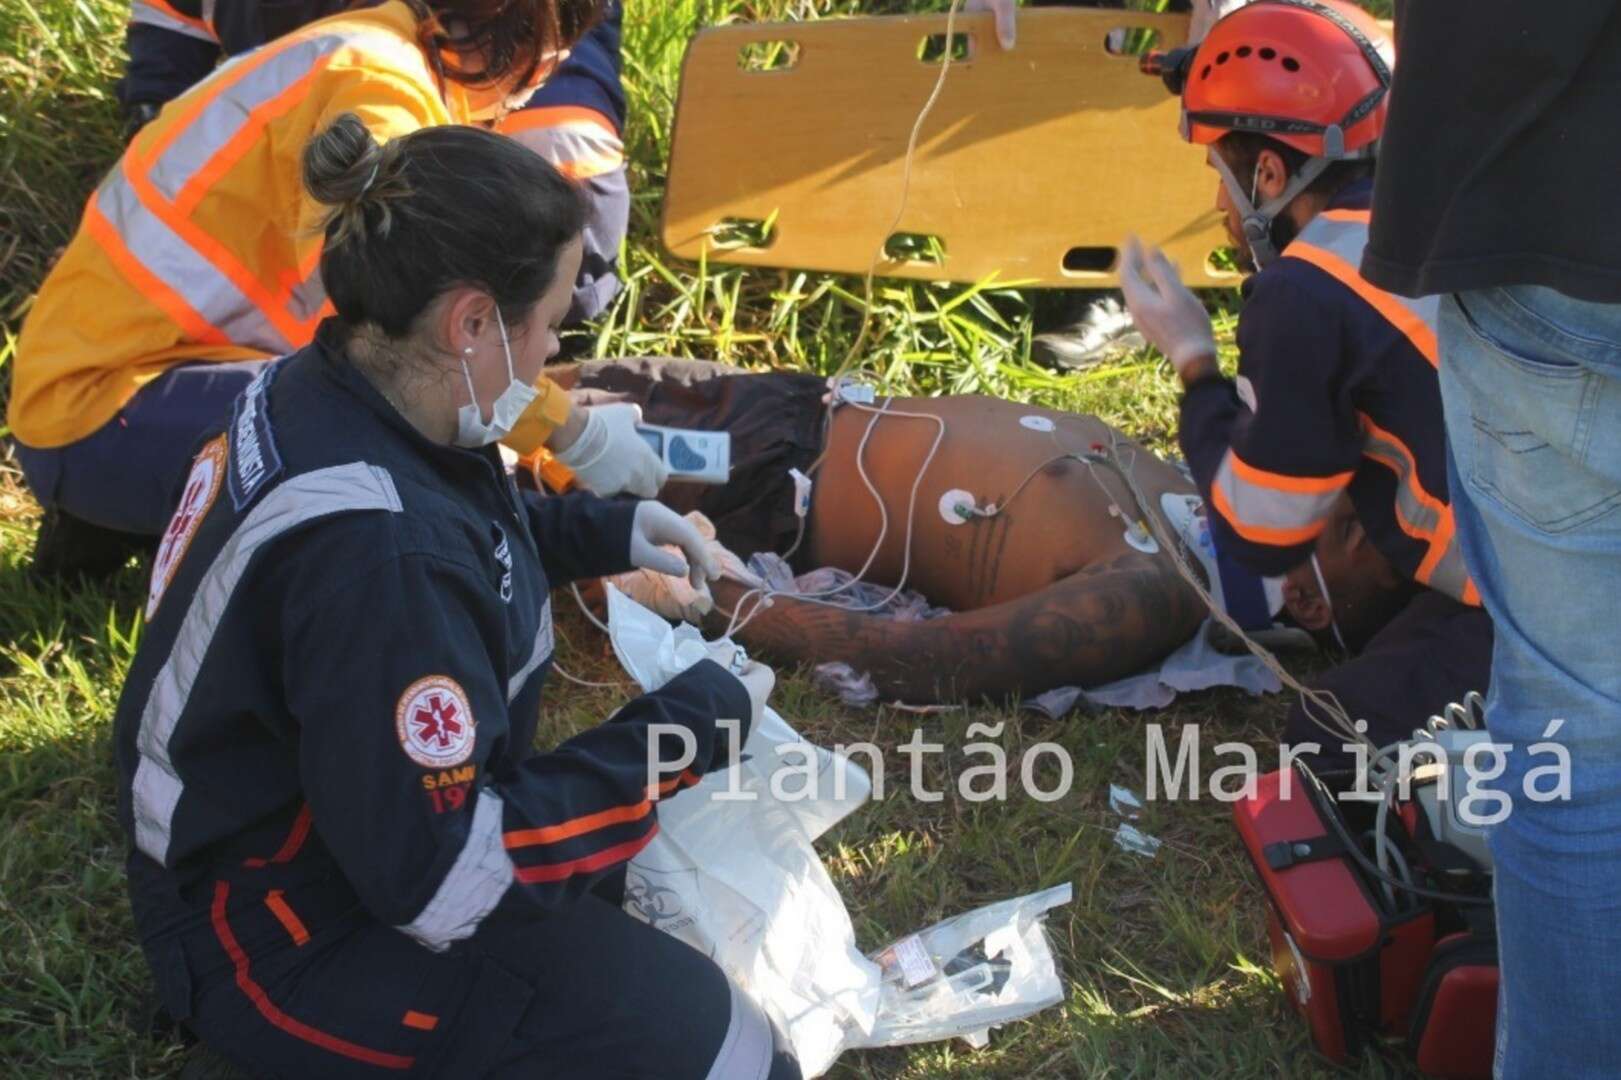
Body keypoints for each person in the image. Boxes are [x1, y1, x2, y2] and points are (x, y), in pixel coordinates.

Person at [114, 116, 799, 1079]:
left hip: (265, 843)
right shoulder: (380, 562)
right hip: (284, 937)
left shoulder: (332, 382)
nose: (560, 346)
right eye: (553, 320)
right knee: (738, 1056)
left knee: (639, 940)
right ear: (470, 323)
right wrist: (684, 728)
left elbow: (456, 504)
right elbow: (444, 883)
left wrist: (600, 530)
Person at [9, 0, 663, 578]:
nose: (538, 89)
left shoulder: (376, 52)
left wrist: (544, 428)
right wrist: (568, 432)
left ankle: (122, 520)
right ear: (521, 27)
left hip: (124, 386)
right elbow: (419, 346)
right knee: (404, 444)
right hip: (104, 409)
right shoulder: (379, 91)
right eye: (554, 59)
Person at [552, 358, 1476, 725]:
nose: (1328, 492)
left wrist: (717, 593)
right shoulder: (1206, 501)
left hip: (764, 489)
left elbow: (925, 657)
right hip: (798, 409)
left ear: (1310, 598)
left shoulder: (1156, 593)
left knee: (511, 432)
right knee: (518, 375)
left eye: (1347, 525)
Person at [1114, 0, 1494, 749]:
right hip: (1578, 536)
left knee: (1330, 734)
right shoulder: (1451, 210)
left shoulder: (1305, 288)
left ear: (1267, 169)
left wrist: (1194, 361)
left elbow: (1263, 530)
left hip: (1557, 603)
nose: (1220, 202)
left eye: (1220, 173)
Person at [1362, 4, 1621, 1075]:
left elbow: (1259, 530)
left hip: (1538, 210)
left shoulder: (1293, 298)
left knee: (1572, 750)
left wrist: (1194, 377)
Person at [115, 0, 630, 325]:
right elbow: (386, 343)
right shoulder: (378, 84)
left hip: (484, 52)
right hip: (132, 369)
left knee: (555, 259)